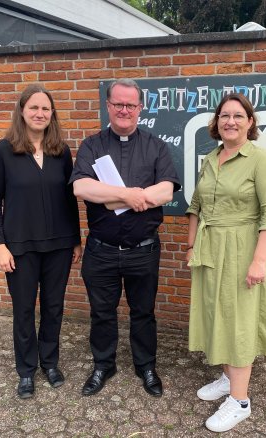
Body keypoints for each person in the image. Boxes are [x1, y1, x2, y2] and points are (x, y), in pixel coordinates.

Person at [70, 78, 181, 397]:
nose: (124, 110)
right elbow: (81, 188)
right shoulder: (92, 145)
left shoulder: (155, 146)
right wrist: (129, 195)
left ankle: (145, 366)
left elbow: (166, 190)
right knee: (101, 312)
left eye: (130, 105)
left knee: (143, 312)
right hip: (101, 251)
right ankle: (103, 365)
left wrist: (111, 197)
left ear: (140, 108)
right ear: (108, 106)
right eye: (118, 104)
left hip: (142, 252)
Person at [185, 93, 266, 432]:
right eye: (224, 115)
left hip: (243, 250)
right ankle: (228, 379)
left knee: (239, 321)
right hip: (211, 248)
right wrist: (190, 244)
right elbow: (197, 204)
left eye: (238, 115)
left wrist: (259, 260)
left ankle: (240, 402)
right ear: (216, 122)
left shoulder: (262, 160)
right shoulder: (210, 159)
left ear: (250, 122)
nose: (230, 121)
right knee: (219, 315)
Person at [0, 84, 82, 399]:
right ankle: (26, 371)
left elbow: (70, 199)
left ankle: (49, 363)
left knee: (54, 308)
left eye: (45, 108)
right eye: (34, 108)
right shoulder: (3, 150)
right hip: (20, 248)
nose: (40, 113)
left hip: (58, 245)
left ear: (51, 114)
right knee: (24, 310)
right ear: (22, 112)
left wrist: (76, 240)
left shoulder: (61, 151)